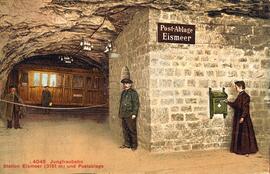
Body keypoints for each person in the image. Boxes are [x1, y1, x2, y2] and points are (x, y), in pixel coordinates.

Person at [227, 81, 258, 156]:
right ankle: (240, 150)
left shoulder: (245, 96)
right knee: (240, 134)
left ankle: (246, 151)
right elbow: (235, 105)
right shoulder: (240, 95)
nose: (235, 88)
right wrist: (227, 102)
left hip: (243, 118)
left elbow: (245, 108)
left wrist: (243, 117)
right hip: (239, 116)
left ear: (240, 87)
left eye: (236, 87)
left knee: (245, 135)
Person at [119, 78, 140, 151]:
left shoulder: (133, 93)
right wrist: (120, 113)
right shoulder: (123, 92)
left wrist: (134, 113)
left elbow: (136, 104)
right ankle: (127, 144)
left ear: (130, 84)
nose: (125, 85)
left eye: (127, 83)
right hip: (124, 114)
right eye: (124, 84)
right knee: (125, 130)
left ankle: (134, 146)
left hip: (130, 114)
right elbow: (121, 104)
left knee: (132, 130)